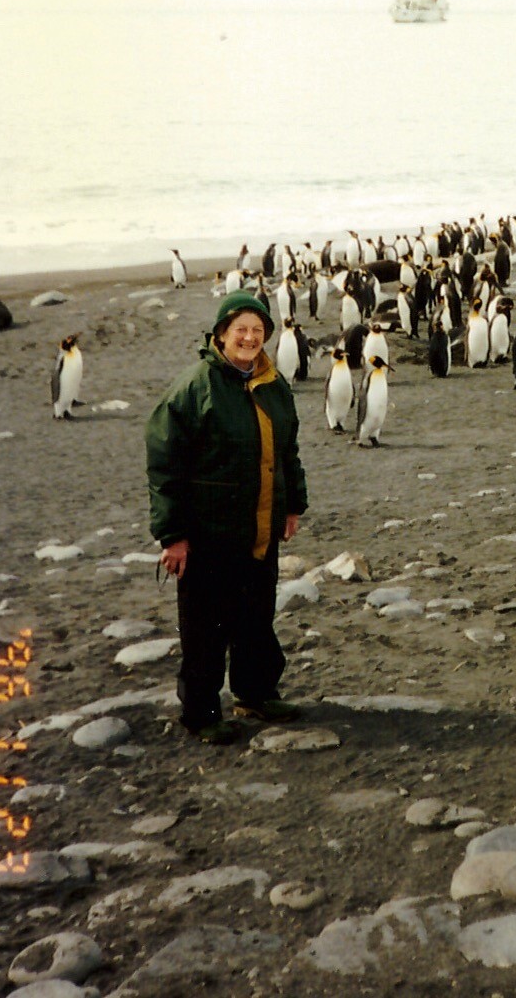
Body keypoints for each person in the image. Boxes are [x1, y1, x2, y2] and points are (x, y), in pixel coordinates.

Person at [145, 291, 308, 745]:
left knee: (256, 616)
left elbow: (287, 452)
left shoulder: (273, 385)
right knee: (205, 628)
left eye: (258, 331)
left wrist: (292, 505)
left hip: (258, 528)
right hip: (208, 534)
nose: (250, 338)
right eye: (241, 329)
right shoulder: (195, 387)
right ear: (221, 334)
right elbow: (164, 466)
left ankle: (255, 693)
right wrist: (173, 536)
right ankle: (201, 712)